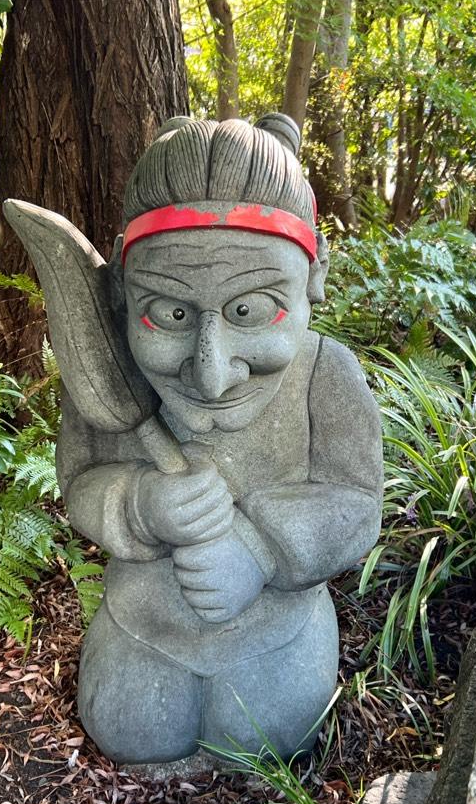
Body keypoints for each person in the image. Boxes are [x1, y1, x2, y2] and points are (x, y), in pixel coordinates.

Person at [56, 115, 383, 764]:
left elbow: (356, 500)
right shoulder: (107, 377)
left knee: (259, 738)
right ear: (122, 290)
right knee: (130, 726)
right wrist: (137, 505)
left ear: (312, 278)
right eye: (170, 315)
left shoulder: (327, 377)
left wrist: (259, 548)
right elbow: (80, 482)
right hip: (144, 627)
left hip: (274, 634)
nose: (211, 370)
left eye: (252, 311)